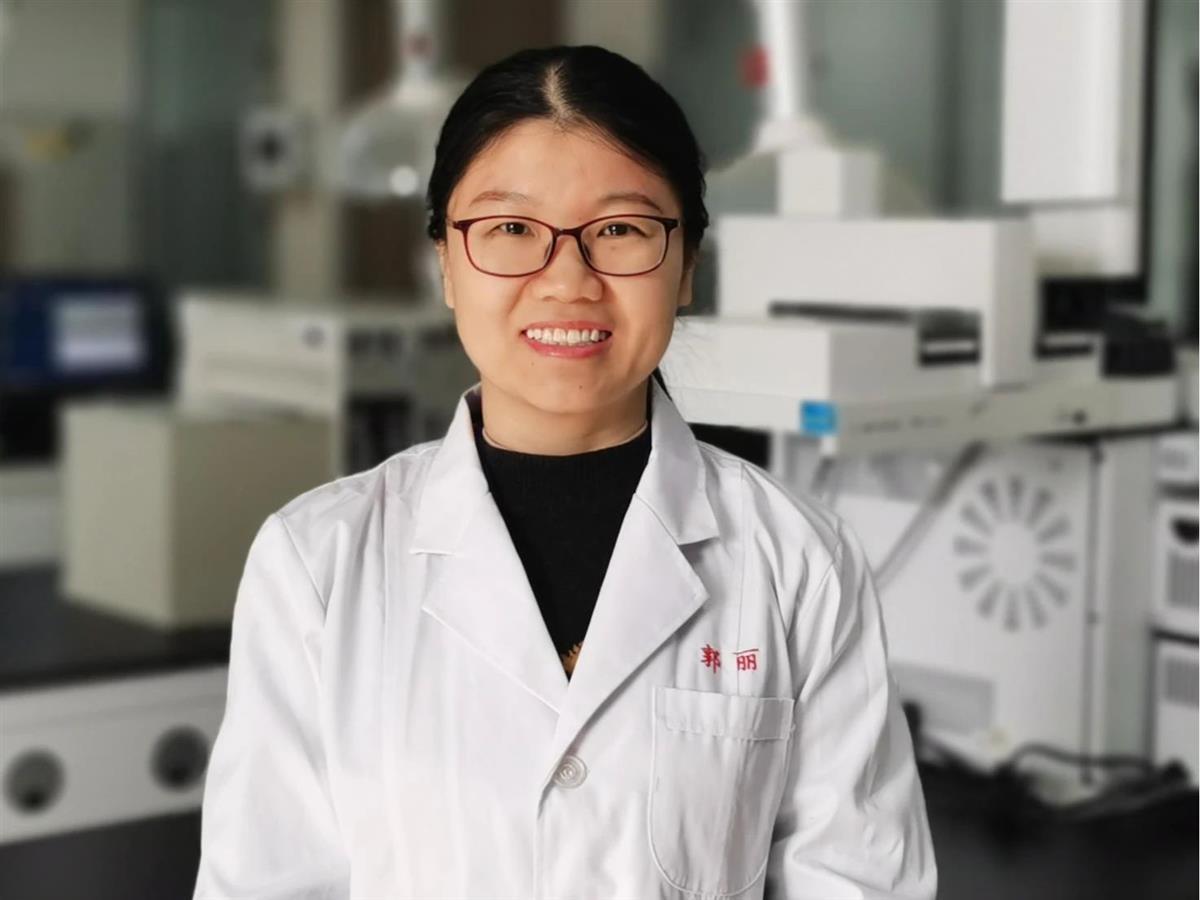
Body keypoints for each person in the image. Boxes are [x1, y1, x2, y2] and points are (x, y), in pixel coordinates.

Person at [193, 45, 937, 900]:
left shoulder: (800, 562)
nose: (567, 281)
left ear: (687, 266)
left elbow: (859, 882)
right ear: (444, 262)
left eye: (620, 230)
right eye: (511, 230)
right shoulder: (316, 563)